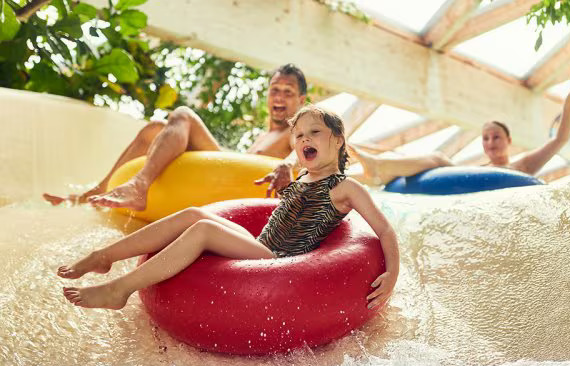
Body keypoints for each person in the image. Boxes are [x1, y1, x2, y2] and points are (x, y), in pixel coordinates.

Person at [59, 105, 400, 312]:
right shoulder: (301, 177)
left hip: (278, 260)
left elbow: (384, 230)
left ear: (338, 140)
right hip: (262, 244)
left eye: (315, 133)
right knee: (195, 213)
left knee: (203, 230)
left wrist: (392, 274)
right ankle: (105, 256)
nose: (304, 140)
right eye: (299, 136)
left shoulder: (345, 186)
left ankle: (122, 288)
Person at [43, 63, 308, 212]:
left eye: (287, 92)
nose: (279, 97)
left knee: (183, 114)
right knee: (154, 128)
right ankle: (96, 192)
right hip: (225, 170)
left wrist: (287, 164)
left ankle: (139, 185)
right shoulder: (265, 134)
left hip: (238, 187)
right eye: (275, 90)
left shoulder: (296, 129)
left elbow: (304, 149)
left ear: (301, 100)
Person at [347, 90, 570, 186]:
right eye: (485, 138)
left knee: (437, 157)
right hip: (464, 187)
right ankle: (350, 178)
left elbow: (559, 139)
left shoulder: (523, 165)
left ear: (509, 140)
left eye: (496, 136)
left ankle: (374, 167)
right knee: (424, 165)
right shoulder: (474, 170)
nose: (490, 142)